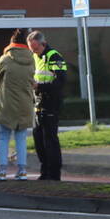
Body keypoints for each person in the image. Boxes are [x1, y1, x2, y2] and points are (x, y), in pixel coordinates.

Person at [0, 29, 35, 181]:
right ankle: (22, 170)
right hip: (25, 104)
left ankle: (2, 171)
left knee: (3, 136)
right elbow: (32, 81)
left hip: (7, 104)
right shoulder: (32, 60)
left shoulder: (5, 59)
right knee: (21, 137)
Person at [27, 30, 67, 180]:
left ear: (43, 44)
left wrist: (40, 86)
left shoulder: (54, 56)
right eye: (31, 49)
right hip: (38, 102)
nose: (34, 52)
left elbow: (61, 80)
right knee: (38, 140)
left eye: (36, 49)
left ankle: (54, 174)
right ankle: (44, 172)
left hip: (51, 102)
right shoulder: (35, 57)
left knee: (50, 139)